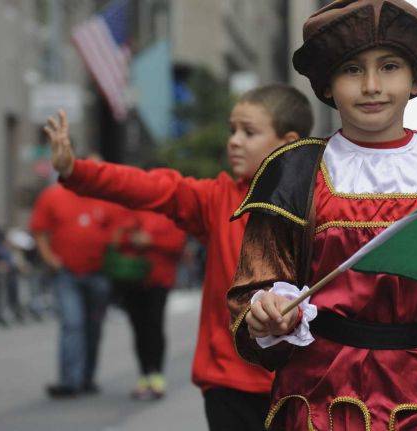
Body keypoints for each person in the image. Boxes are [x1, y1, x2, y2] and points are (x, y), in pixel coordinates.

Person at [226, 1, 417, 429]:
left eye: (389, 66)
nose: (372, 85)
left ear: (414, 79)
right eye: (352, 69)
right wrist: (268, 313)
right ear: (328, 84)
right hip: (323, 399)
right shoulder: (294, 171)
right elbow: (254, 292)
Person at [44, 83, 314, 429]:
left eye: (249, 132)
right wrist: (76, 170)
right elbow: (151, 187)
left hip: (298, 384)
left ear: (289, 141)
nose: (234, 140)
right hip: (227, 383)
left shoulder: (318, 205)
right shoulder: (216, 198)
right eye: (232, 130)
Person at [30, 180, 124, 398]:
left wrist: (110, 247)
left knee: (93, 326)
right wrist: (49, 259)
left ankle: (87, 377)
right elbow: (39, 229)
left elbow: (119, 227)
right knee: (72, 323)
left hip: (99, 274)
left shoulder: (106, 197)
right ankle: (69, 380)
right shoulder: (53, 195)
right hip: (67, 274)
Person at [110, 209, 186, 400]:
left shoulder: (169, 213)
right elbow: (115, 240)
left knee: (155, 324)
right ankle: (144, 374)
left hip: (159, 279)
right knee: (138, 327)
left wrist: (151, 241)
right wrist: (131, 237)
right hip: (132, 278)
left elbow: (177, 245)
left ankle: (157, 374)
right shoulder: (130, 211)